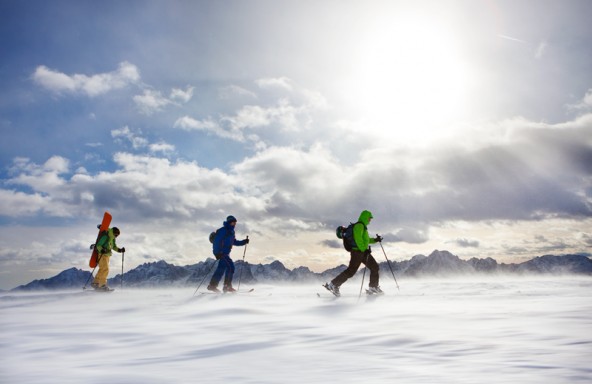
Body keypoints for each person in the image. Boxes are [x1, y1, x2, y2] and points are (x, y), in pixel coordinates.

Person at [325, 210, 383, 296]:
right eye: (369, 218)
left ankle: (373, 287)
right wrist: (364, 249)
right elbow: (358, 239)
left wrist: (375, 240)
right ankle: (333, 285)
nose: (370, 220)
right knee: (351, 271)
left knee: (374, 267)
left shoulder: (363, 227)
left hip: (362, 252)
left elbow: (365, 241)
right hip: (357, 252)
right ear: (365, 217)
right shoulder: (359, 226)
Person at [208, 215, 249, 293]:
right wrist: (216, 253)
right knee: (231, 267)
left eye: (235, 223)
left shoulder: (232, 232)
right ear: (229, 222)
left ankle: (212, 286)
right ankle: (227, 286)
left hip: (226, 253)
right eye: (233, 222)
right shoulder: (222, 230)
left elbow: (234, 242)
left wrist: (244, 242)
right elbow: (216, 242)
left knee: (221, 269)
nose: (234, 224)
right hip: (221, 253)